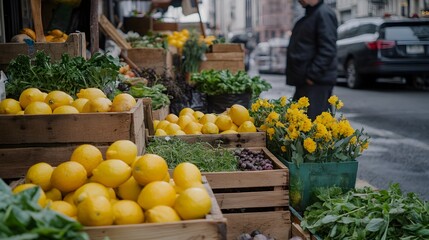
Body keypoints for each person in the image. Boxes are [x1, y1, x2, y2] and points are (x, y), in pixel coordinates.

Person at [286, 0, 338, 120]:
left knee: (313, 127)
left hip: (315, 83)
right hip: (306, 82)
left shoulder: (323, 14)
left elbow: (328, 49)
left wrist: (312, 76)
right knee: (298, 123)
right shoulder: (311, 14)